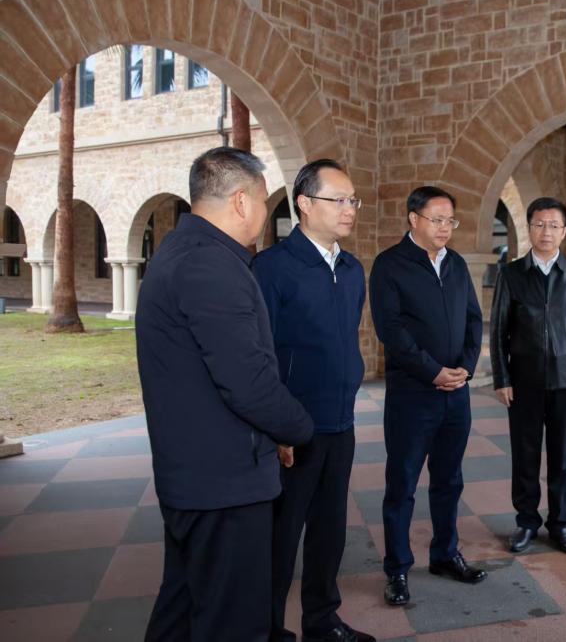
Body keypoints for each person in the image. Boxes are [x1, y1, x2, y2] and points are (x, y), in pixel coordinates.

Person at [136, 146, 314, 641]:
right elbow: (247, 381)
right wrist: (300, 427)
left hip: (197, 477)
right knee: (232, 623)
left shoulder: (183, 252)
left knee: (183, 611)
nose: (264, 213)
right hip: (222, 483)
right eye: (263, 201)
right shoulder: (210, 265)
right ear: (240, 201)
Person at [252, 160, 374, 642]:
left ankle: (322, 622)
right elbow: (260, 356)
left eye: (352, 200)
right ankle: (266, 630)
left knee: (329, 530)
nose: (349, 209)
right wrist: (278, 428)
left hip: (340, 422)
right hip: (293, 429)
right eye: (337, 199)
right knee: (280, 537)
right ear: (304, 203)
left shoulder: (352, 269)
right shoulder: (272, 269)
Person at [369, 185, 486, 606]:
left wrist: (465, 368)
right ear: (413, 219)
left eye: (450, 220)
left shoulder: (456, 263)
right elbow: (391, 331)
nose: (445, 228)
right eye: (437, 219)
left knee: (449, 480)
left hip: (456, 395)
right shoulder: (389, 265)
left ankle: (445, 554)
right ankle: (397, 569)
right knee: (402, 484)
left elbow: (473, 319)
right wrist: (432, 372)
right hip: (413, 395)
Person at [489, 196, 566, 555]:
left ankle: (560, 524)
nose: (546, 232)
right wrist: (502, 378)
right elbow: (498, 332)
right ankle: (526, 522)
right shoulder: (511, 275)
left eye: (553, 225)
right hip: (523, 383)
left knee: (562, 458)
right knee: (524, 456)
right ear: (529, 228)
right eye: (539, 224)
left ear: (564, 231)